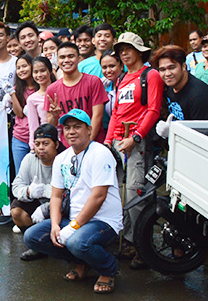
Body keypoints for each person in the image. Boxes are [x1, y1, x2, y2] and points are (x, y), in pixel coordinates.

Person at [23, 109, 122, 294]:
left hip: (103, 221)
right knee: (32, 237)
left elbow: (98, 196)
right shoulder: (62, 158)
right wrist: (54, 225)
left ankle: (108, 269)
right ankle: (80, 261)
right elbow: (56, 195)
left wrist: (74, 226)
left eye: (77, 127)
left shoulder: (101, 153)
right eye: (67, 128)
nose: (71, 132)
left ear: (89, 129)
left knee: (77, 242)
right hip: (75, 219)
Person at [103, 32, 162, 267]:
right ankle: (127, 241)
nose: (124, 54)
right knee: (118, 193)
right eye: (120, 50)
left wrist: (136, 137)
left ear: (139, 50)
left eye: (128, 49)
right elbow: (116, 112)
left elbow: (153, 110)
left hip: (139, 143)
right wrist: (109, 141)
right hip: (119, 142)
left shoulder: (151, 75)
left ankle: (143, 247)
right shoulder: (121, 79)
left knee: (136, 194)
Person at [44, 42, 109, 146]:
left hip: (94, 144)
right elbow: (51, 124)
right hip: (68, 147)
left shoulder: (93, 82)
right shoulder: (52, 89)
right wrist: (54, 116)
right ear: (57, 61)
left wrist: (88, 144)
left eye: (71, 56)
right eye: (62, 57)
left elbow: (97, 115)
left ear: (79, 59)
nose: (66, 60)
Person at [12, 124, 60, 261]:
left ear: (56, 144)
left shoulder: (65, 159)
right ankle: (37, 245)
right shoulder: (29, 158)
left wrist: (45, 195)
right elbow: (16, 186)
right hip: (36, 200)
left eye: (46, 143)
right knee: (17, 212)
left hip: (59, 204)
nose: (41, 148)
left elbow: (69, 194)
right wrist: (28, 192)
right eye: (37, 144)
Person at [151, 46, 208, 140]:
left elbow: (200, 138)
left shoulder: (198, 95)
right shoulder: (169, 87)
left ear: (183, 66)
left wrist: (171, 133)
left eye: (172, 67)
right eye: (162, 69)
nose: (167, 73)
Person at [9, 55, 37, 171]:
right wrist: (12, 94)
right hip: (19, 137)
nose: (21, 70)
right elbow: (19, 114)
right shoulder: (17, 89)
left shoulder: (41, 86)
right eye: (18, 68)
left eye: (24, 66)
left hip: (38, 138)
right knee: (20, 174)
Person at [25, 56, 57, 150]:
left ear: (50, 71)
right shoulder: (32, 99)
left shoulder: (61, 91)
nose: (39, 75)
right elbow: (33, 126)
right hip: (46, 142)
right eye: (35, 72)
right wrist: (33, 147)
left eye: (43, 70)